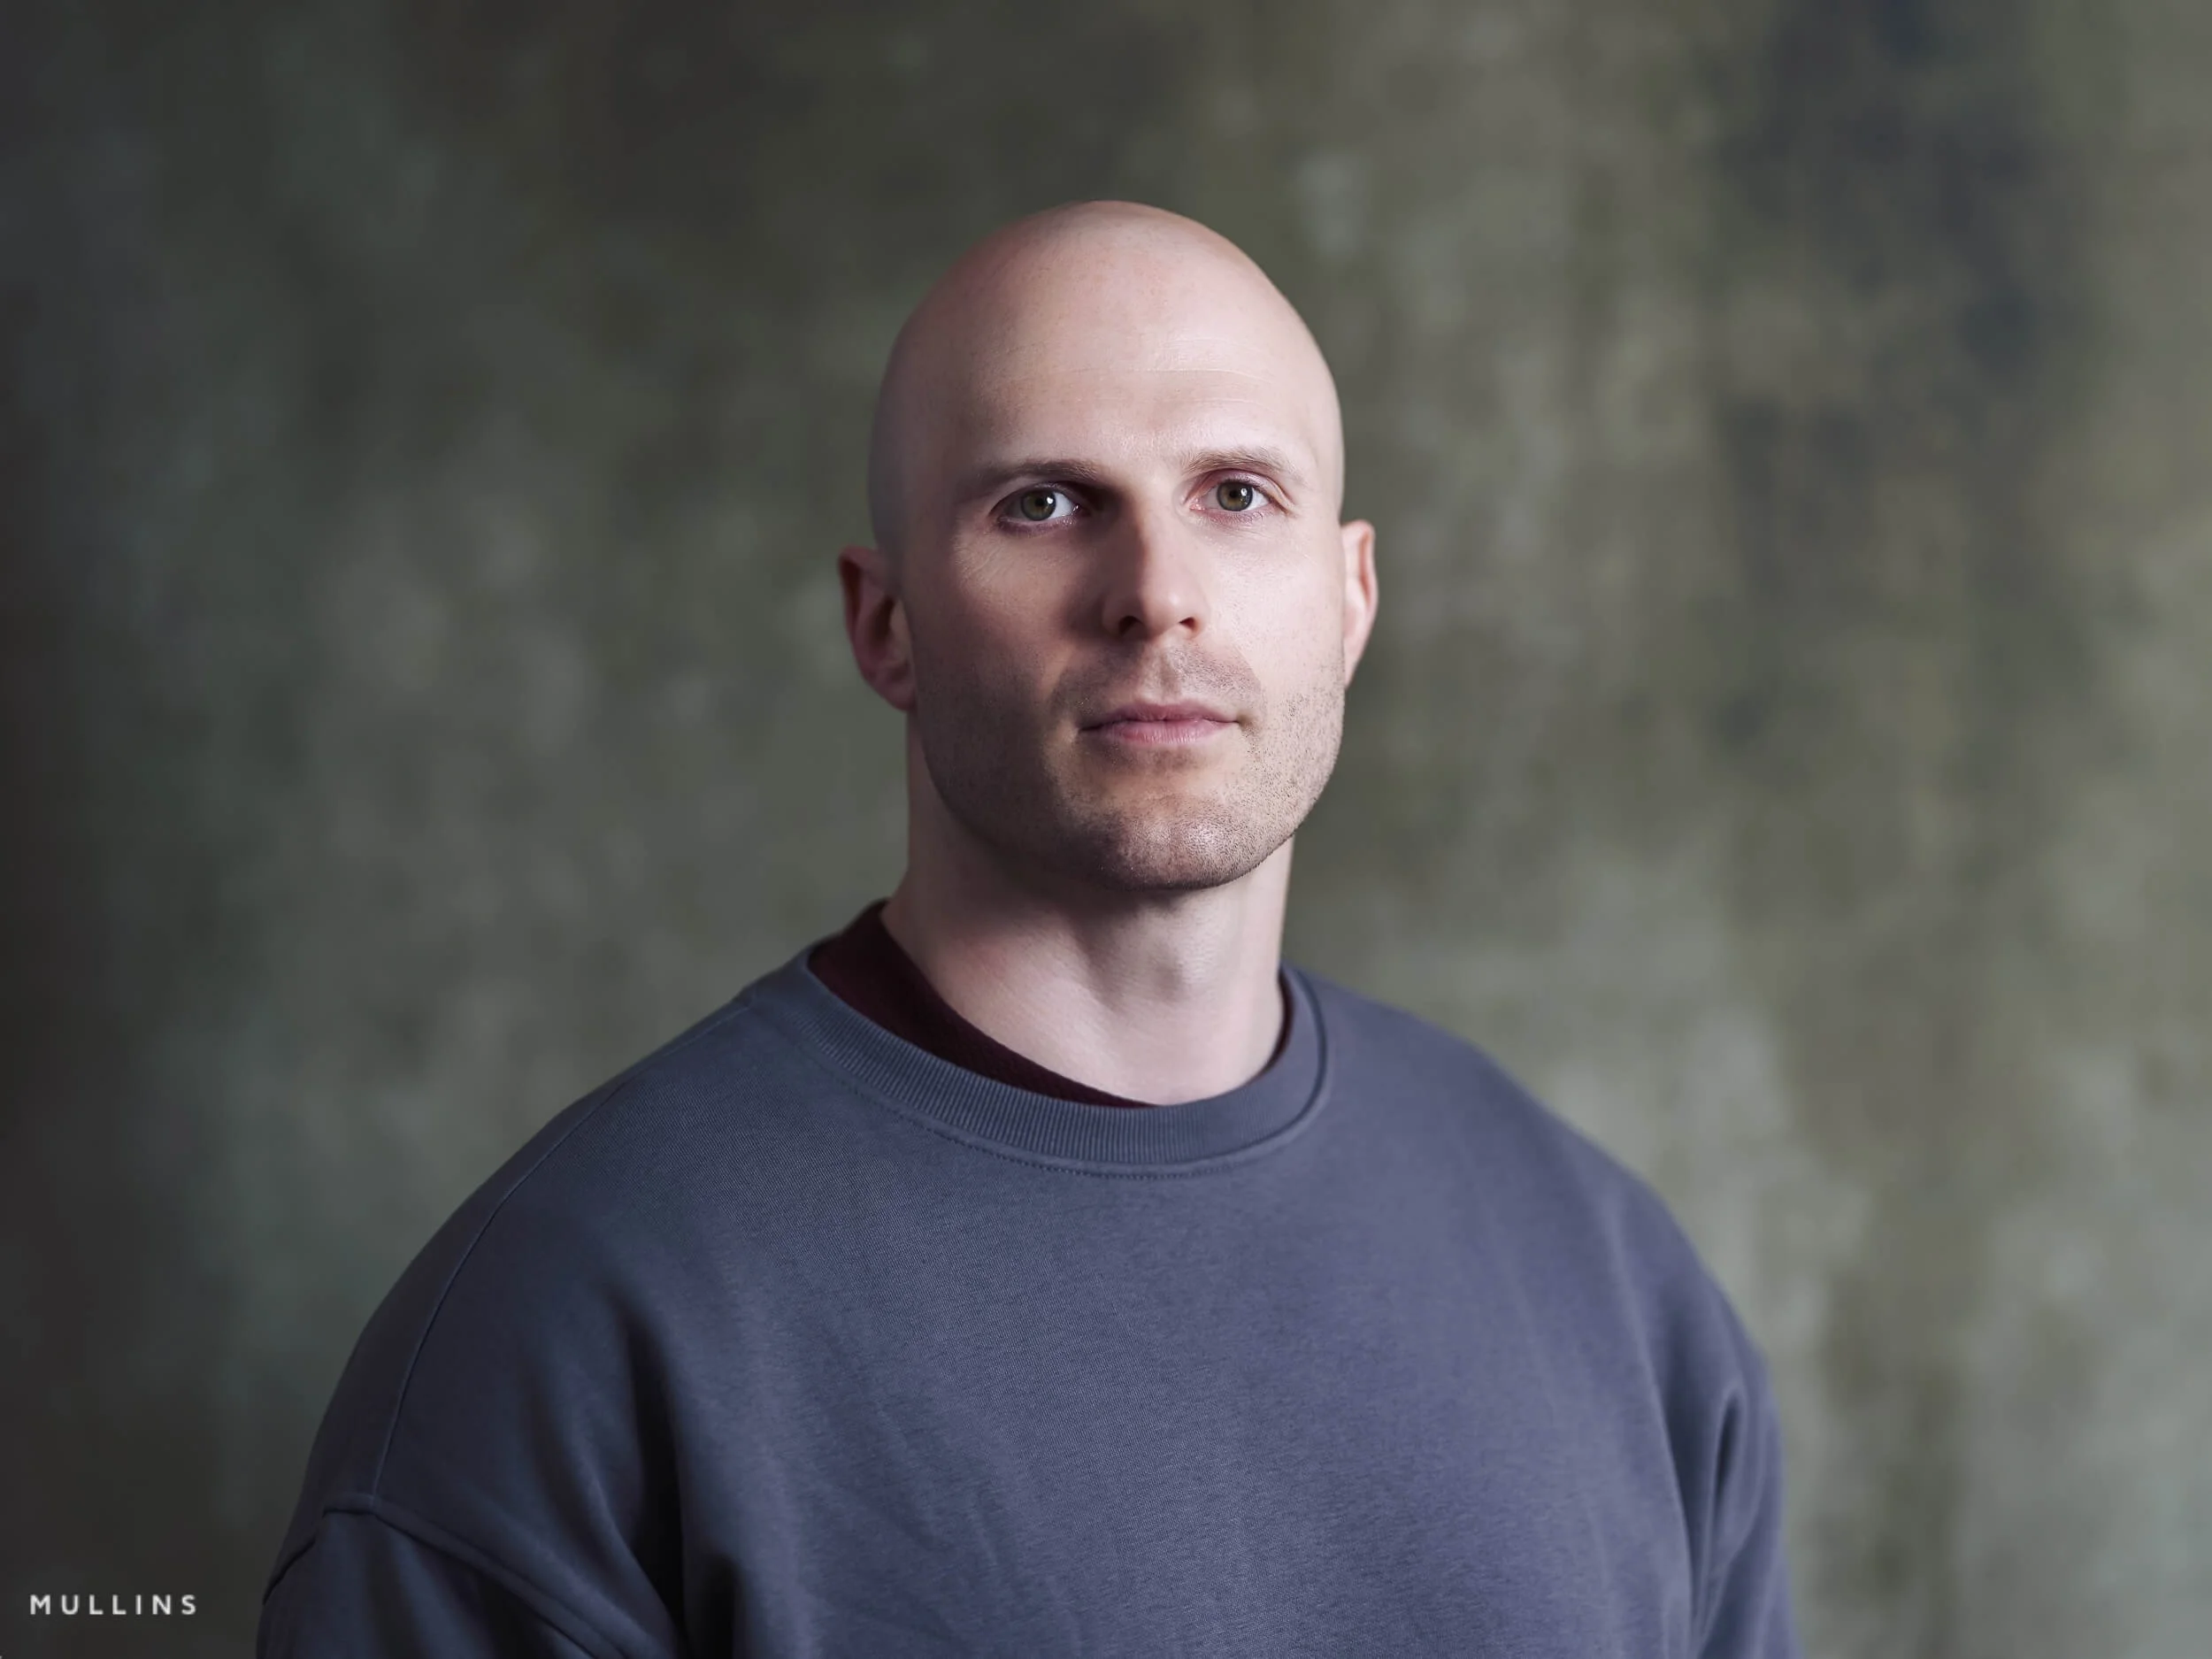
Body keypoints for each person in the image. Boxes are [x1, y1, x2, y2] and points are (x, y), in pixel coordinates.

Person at [257, 199, 1800, 1657]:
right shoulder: (572, 1326)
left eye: (1237, 496)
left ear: (1350, 596)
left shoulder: (1608, 1279)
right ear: (887, 623)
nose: (1155, 593)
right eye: (1044, 504)